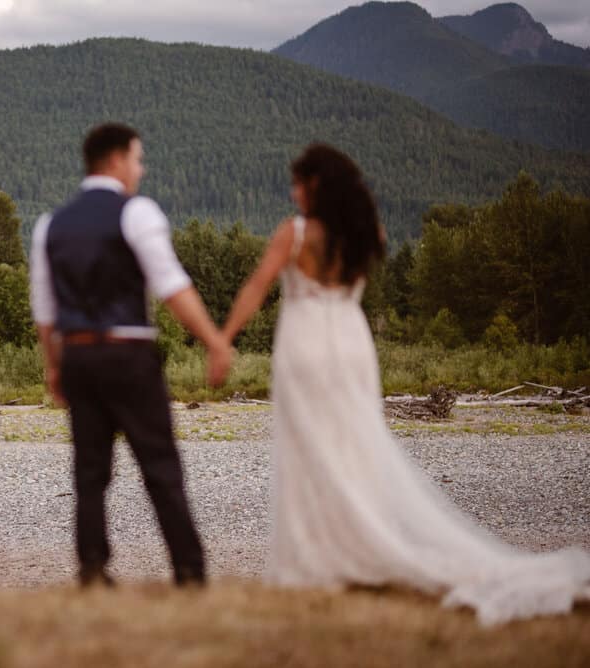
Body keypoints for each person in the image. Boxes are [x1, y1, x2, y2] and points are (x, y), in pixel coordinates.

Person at [220, 142, 590, 626]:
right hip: (352, 341)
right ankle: (355, 542)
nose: (293, 193)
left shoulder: (294, 236)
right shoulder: (366, 233)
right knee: (354, 444)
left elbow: (255, 286)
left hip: (306, 340)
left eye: (299, 183)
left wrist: (223, 338)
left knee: (305, 444)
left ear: (317, 186)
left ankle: (317, 555)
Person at [29, 122, 232, 587]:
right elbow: (171, 284)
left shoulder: (49, 225)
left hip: (78, 356)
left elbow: (45, 309)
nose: (140, 170)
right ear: (117, 161)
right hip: (129, 353)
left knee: (89, 468)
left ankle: (93, 568)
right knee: (159, 463)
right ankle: (188, 569)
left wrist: (54, 365)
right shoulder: (135, 212)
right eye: (138, 159)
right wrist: (213, 340)